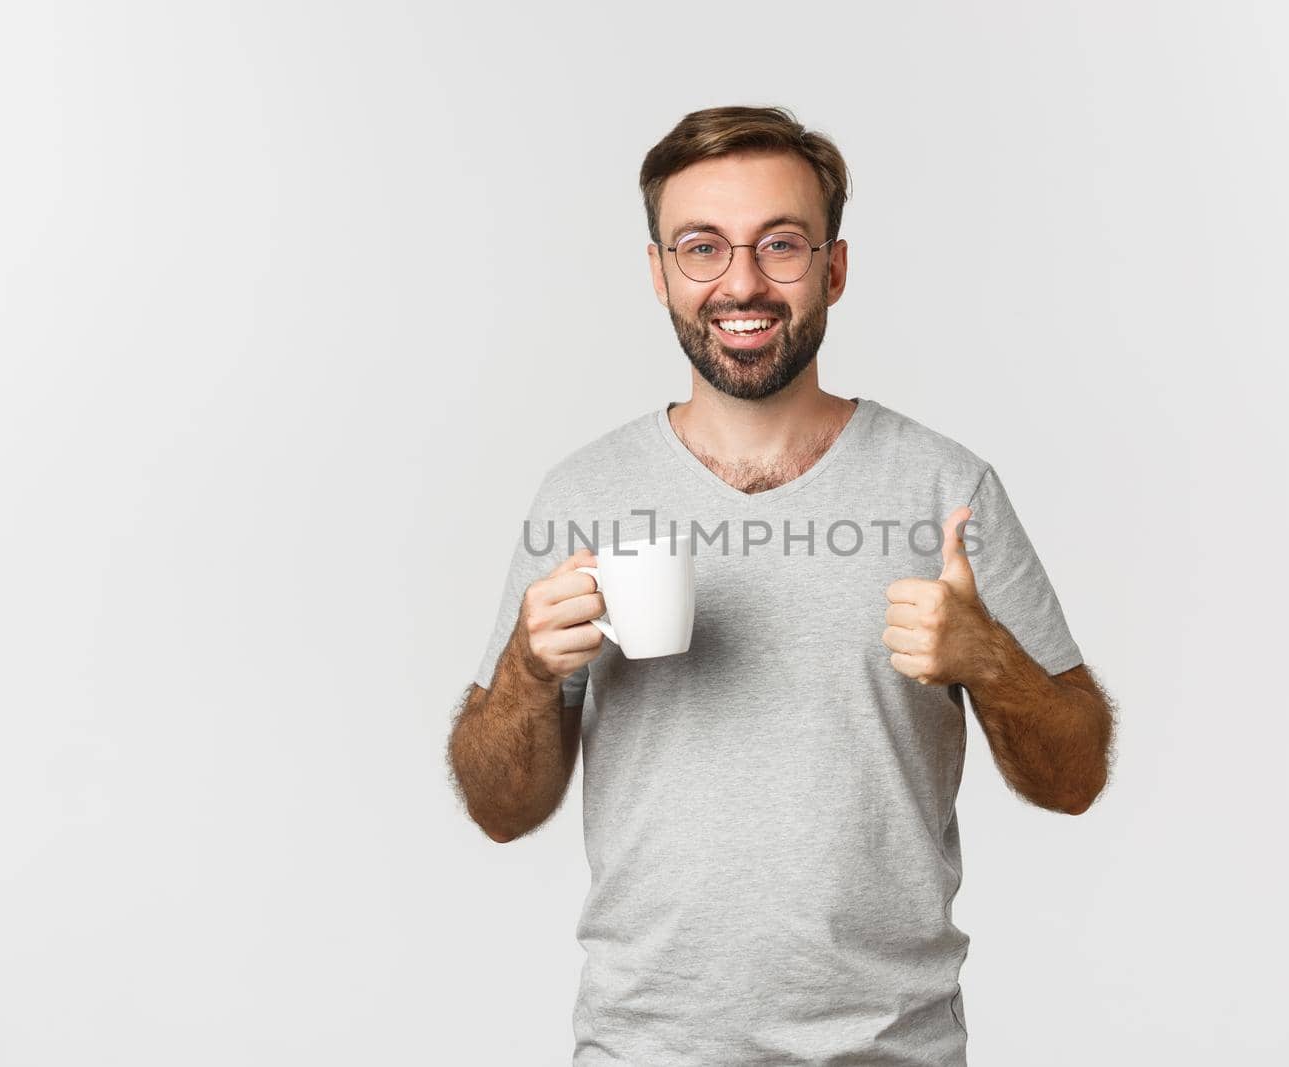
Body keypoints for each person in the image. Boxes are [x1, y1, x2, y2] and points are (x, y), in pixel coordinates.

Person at [447, 104, 1115, 1066]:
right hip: (645, 1048)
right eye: (702, 248)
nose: (742, 282)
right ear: (658, 274)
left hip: (891, 1048)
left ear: (834, 268)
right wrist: (525, 669)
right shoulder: (584, 493)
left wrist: (991, 660)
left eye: (782, 245)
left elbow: (1076, 777)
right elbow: (501, 810)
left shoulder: (944, 488)